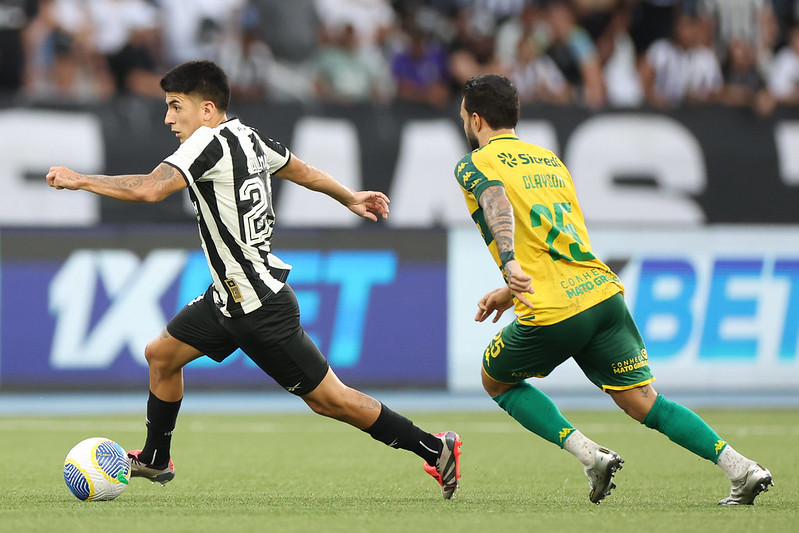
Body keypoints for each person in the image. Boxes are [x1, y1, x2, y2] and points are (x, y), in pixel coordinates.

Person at [46, 60, 461, 500]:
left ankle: (436, 449)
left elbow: (150, 188)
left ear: (206, 109)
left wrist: (81, 180)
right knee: (161, 356)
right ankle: (155, 457)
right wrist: (349, 196)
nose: (168, 119)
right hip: (227, 299)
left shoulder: (205, 144)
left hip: (260, 309)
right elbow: (299, 168)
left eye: (175, 107)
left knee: (331, 400)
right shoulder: (249, 137)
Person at [453, 73, 773, 506]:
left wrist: (509, 264)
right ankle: (741, 467)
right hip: (601, 294)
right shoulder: (550, 161)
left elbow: (495, 199)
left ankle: (590, 456)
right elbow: (558, 241)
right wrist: (508, 289)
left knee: (497, 381)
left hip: (554, 309)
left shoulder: (476, 162)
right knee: (646, 403)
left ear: (475, 120)